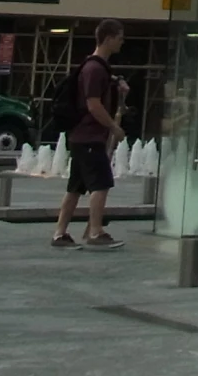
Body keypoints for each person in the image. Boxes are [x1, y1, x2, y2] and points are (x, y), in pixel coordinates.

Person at [52, 21, 128, 250]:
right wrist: (114, 127)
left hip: (80, 136)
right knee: (101, 184)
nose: (122, 42)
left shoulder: (94, 66)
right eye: (119, 37)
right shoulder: (95, 69)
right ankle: (95, 232)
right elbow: (93, 104)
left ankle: (60, 234)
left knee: (75, 187)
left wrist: (118, 82)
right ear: (107, 39)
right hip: (89, 137)